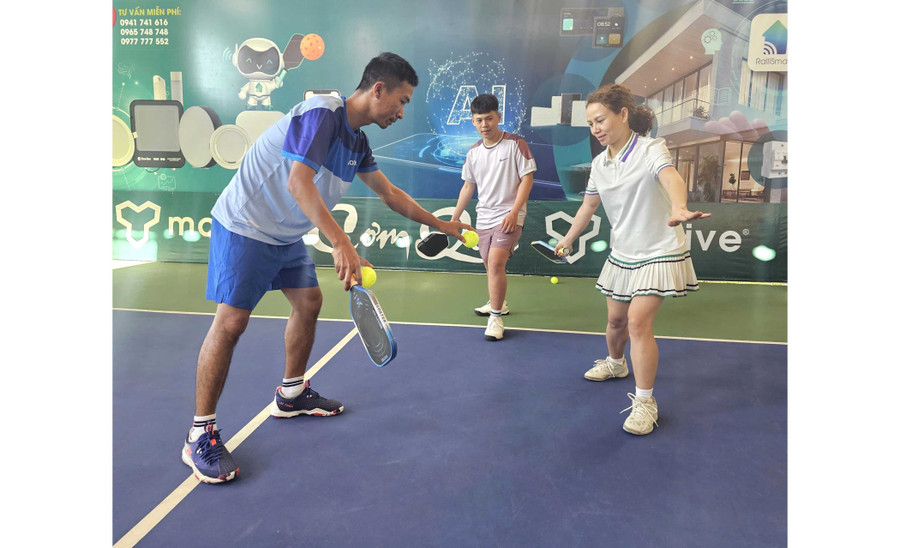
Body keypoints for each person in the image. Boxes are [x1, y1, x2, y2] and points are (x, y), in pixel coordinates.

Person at [183, 52, 473, 483]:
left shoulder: (357, 142)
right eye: (402, 100)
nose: (402, 111)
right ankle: (200, 433)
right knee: (231, 324)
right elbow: (297, 182)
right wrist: (342, 244)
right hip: (246, 224)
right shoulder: (323, 114)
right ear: (378, 90)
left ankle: (292, 393)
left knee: (309, 302)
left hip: (284, 233)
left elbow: (390, 194)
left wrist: (442, 224)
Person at [555, 84, 709, 436]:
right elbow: (589, 206)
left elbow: (670, 177)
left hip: (659, 249)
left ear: (623, 115)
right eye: (591, 124)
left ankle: (645, 402)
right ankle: (615, 363)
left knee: (638, 323)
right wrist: (566, 240)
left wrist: (679, 206)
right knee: (616, 322)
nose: (595, 129)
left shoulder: (650, 148)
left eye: (601, 120)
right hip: (623, 251)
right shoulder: (599, 163)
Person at [450, 94, 536, 341]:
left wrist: (514, 212)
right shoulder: (474, 152)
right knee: (489, 264)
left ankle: (496, 318)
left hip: (509, 216)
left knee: (496, 262)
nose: (485, 124)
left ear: (499, 117)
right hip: (483, 218)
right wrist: (455, 219)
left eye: (489, 118)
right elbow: (468, 187)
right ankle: (500, 302)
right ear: (473, 122)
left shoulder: (515, 143)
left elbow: (527, 179)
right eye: (479, 120)